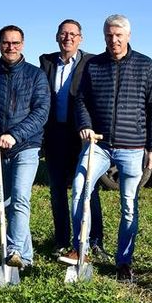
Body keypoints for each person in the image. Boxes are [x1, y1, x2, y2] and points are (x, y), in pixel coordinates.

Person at [58, 14, 152, 282]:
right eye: (108, 36)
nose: (113, 40)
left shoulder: (145, 65)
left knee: (128, 205)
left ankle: (124, 261)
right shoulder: (94, 65)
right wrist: (85, 125)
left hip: (133, 148)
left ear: (128, 35)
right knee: (80, 189)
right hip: (99, 145)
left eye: (118, 35)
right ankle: (80, 248)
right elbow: (80, 100)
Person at [0, 25, 50, 268]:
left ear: (23, 45)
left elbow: (41, 112)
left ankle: (14, 250)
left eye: (16, 43)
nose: (11, 47)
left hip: (26, 145)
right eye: (6, 43)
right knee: (6, 202)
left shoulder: (35, 75)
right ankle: (25, 258)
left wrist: (15, 135)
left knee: (20, 198)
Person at [38, 19, 105, 259]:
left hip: (82, 134)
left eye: (73, 34)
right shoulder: (46, 62)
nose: (68, 38)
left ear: (81, 38)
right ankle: (61, 239)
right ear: (57, 37)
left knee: (89, 188)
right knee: (57, 190)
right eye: (64, 34)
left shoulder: (92, 62)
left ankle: (94, 239)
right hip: (55, 134)